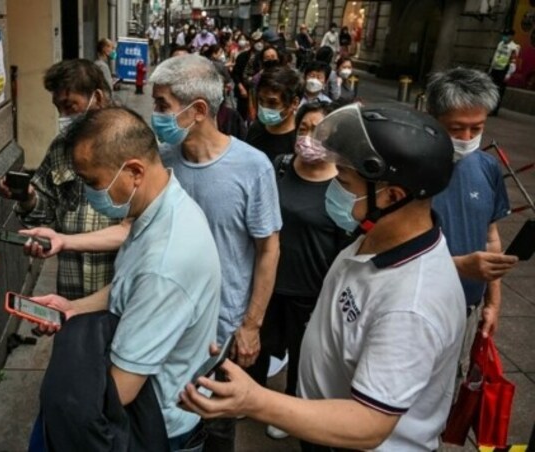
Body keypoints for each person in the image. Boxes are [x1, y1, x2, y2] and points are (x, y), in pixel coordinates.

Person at [180, 104, 466, 451]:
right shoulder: (375, 235)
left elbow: (368, 425)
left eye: (344, 181)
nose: (334, 188)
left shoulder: (411, 306)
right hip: (320, 430)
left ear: (391, 196)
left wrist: (254, 400)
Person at [34, 106, 221, 451]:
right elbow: (127, 288)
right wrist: (72, 308)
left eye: (92, 182)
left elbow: (116, 393)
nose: (90, 194)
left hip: (155, 430)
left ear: (134, 171)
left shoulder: (165, 263)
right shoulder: (158, 210)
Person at [152, 54, 281, 452]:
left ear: (199, 111)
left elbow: (268, 249)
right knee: (166, 419)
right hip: (167, 323)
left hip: (221, 334)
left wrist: (251, 325)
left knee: (216, 428)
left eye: (162, 106)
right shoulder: (163, 162)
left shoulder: (252, 167)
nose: (154, 115)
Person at [255, 101, 351, 440]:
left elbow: (345, 246)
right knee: (257, 348)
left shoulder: (342, 187)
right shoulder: (279, 167)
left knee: (302, 357)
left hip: (310, 290)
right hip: (268, 283)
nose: (308, 137)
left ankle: (290, 412)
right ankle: (251, 400)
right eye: (304, 128)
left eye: (319, 131)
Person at [426, 68, 518, 390]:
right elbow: (385, 249)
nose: (467, 139)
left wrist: (492, 303)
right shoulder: (411, 168)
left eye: (476, 128)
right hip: (416, 305)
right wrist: (459, 265)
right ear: (433, 117)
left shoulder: (488, 167)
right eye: (456, 129)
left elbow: (490, 237)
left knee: (449, 386)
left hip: (466, 308)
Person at [0, 59, 118, 300]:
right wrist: (29, 199)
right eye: (58, 108)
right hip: (72, 292)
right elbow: (48, 216)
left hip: (120, 295)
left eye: (70, 106)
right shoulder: (60, 149)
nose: (62, 116)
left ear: (97, 97)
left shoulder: (132, 145)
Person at [245, 66, 302, 162]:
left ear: (294, 103)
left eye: (273, 103)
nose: (264, 107)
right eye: (261, 100)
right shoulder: (255, 128)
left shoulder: (299, 141)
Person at [231, 31, 264, 120]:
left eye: (261, 41)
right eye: (256, 41)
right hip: (244, 92)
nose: (259, 43)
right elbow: (235, 74)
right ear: (251, 42)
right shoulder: (243, 56)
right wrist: (241, 88)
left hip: (259, 93)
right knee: (241, 117)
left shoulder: (264, 57)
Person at [488, 29, 520, 116]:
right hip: (495, 69)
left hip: (503, 71)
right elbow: (495, 56)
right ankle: (489, 107)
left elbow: (513, 62)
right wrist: (491, 68)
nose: (504, 37)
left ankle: (494, 110)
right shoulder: (500, 44)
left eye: (506, 35)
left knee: (499, 91)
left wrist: (508, 74)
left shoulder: (514, 47)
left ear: (511, 36)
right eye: (503, 35)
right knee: (491, 89)